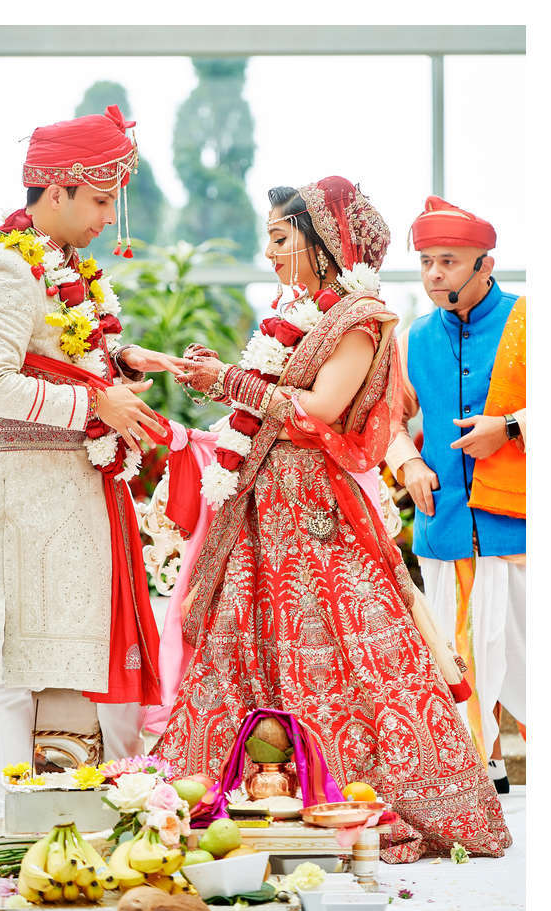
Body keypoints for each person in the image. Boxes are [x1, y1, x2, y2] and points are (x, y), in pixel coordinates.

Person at [154, 176, 511, 862]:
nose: (268, 253)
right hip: (265, 504)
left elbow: (318, 410)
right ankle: (253, 793)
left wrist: (227, 380)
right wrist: (223, 378)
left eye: (281, 239)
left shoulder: (361, 318)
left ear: (325, 245)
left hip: (316, 510)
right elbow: (275, 400)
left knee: (350, 644)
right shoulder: (302, 313)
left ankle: (353, 792)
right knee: (249, 639)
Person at [0, 104, 193, 792]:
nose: (107, 218)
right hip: (22, 495)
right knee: (12, 657)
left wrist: (121, 356)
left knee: (105, 636)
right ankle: (15, 807)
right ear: (55, 189)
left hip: (75, 490)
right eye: (98, 199)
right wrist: (97, 401)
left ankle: (132, 795)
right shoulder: (7, 266)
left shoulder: (66, 268)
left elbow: (63, 347)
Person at [385, 196, 526, 794]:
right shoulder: (414, 338)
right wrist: (408, 460)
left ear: (485, 264)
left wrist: (512, 427)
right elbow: (384, 421)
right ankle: (477, 770)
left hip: (518, 527)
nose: (435, 274)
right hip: (444, 527)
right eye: (425, 263)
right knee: (457, 652)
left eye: (448, 261)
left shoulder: (529, 324)